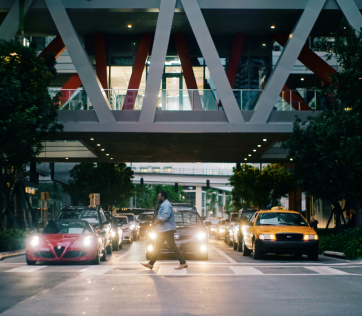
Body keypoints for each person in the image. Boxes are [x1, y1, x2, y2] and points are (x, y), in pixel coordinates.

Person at [141, 191, 187, 270]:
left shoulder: (166, 205)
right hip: (163, 230)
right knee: (158, 247)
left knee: (172, 246)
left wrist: (153, 224)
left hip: (167, 230)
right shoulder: (164, 204)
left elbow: (164, 217)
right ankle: (151, 263)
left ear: (163, 197)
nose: (157, 197)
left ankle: (183, 263)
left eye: (159, 196)